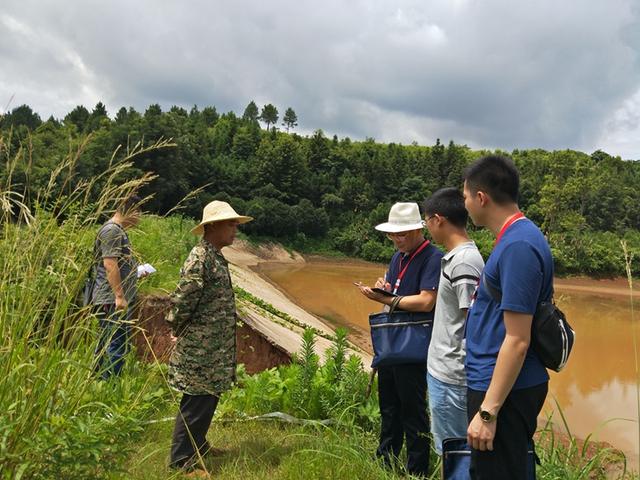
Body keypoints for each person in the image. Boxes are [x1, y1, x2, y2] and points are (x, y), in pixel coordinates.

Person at [463, 155, 551, 479]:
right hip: (497, 384)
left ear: (481, 197)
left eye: (466, 197)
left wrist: (488, 412)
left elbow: (517, 339)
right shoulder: (514, 238)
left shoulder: (518, 246)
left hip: (505, 390)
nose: (466, 205)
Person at [166, 200, 252, 477]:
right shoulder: (200, 258)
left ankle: (198, 446)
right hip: (200, 348)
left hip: (214, 348)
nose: (235, 229)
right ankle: (181, 462)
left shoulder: (214, 255)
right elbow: (182, 300)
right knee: (196, 401)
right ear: (212, 226)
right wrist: (176, 329)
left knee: (208, 398)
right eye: (231, 224)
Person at [357, 202, 443, 478]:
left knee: (413, 410)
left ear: (418, 230)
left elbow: (426, 301)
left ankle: (417, 470)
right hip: (392, 344)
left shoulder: (432, 257)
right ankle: (386, 461)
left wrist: (384, 297)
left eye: (402, 234)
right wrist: (385, 289)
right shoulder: (398, 257)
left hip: (414, 346)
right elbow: (396, 292)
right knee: (389, 407)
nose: (396, 239)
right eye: (393, 234)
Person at [423, 188, 484, 456]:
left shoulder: (464, 262)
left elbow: (474, 324)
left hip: (453, 376)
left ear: (438, 219)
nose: (427, 227)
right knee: (448, 450)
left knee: (454, 453)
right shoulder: (456, 258)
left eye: (427, 220)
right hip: (443, 371)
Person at [92, 194, 142, 379]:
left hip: (114, 298)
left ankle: (98, 381)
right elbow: (109, 264)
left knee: (109, 341)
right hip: (111, 299)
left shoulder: (118, 231)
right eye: (139, 212)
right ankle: (109, 384)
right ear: (131, 210)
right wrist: (119, 296)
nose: (139, 218)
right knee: (116, 343)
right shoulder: (112, 230)